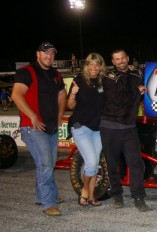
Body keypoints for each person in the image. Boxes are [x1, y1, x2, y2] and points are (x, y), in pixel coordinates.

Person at [12, 42, 67, 216]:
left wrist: (60, 115)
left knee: (46, 164)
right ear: (38, 54)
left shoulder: (55, 74)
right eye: (45, 53)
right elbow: (16, 95)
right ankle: (48, 202)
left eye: (52, 54)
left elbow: (62, 94)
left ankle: (42, 195)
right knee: (45, 164)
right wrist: (33, 116)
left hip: (50, 126)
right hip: (32, 127)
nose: (49, 56)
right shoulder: (26, 72)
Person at [100, 49, 150, 212]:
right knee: (113, 164)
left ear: (127, 58)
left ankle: (138, 196)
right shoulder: (109, 77)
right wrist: (138, 90)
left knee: (136, 163)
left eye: (123, 58)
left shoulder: (137, 74)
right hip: (110, 127)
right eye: (117, 59)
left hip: (129, 127)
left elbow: (143, 93)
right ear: (113, 62)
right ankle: (117, 195)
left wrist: (143, 91)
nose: (121, 61)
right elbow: (118, 97)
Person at [67, 53, 106, 207]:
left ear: (101, 66)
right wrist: (73, 94)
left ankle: (90, 197)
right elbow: (70, 106)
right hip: (80, 126)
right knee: (90, 161)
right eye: (91, 64)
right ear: (87, 65)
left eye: (97, 64)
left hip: (98, 128)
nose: (94, 68)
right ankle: (84, 191)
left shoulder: (104, 81)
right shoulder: (79, 79)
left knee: (94, 163)